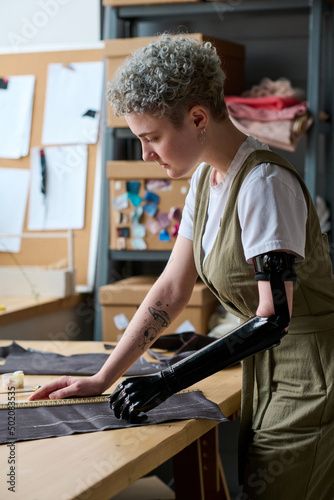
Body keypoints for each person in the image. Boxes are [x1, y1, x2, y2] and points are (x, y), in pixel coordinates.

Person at [29, 34, 334, 499]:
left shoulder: (264, 184)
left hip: (314, 373)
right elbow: (171, 288)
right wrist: (104, 376)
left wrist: (167, 380)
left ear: (197, 118)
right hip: (270, 372)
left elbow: (274, 319)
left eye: (151, 138)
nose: (147, 154)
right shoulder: (205, 183)